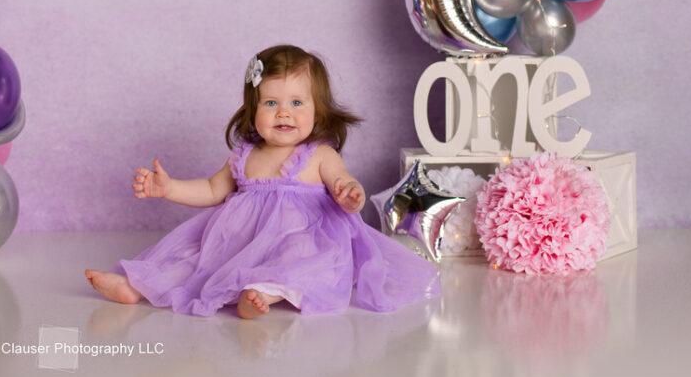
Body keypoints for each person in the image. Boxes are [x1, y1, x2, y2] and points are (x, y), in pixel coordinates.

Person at [85, 45, 439, 319]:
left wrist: (350, 195)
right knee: (193, 258)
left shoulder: (319, 155)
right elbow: (211, 190)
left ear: (318, 110)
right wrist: (170, 188)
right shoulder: (244, 155)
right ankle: (135, 286)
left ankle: (263, 295)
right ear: (252, 110)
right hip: (239, 244)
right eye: (271, 102)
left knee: (302, 258)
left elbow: (344, 183)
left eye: (297, 102)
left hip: (303, 237)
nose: (284, 112)